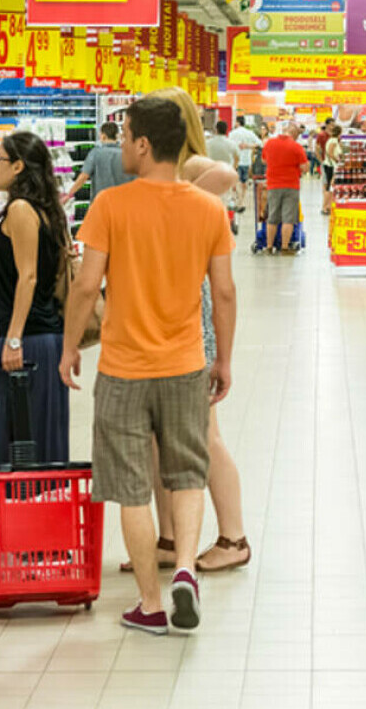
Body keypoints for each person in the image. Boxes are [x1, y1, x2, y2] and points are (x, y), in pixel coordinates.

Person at [62, 95, 236, 635]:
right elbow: (224, 293)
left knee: (130, 487)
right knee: (187, 474)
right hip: (186, 363)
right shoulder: (208, 209)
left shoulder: (110, 206)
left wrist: (70, 348)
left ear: (143, 144)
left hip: (123, 369)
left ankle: (150, 602)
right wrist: (223, 359)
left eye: (122, 136)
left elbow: (88, 285)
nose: (118, 146)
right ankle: (185, 566)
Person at [119, 87, 253, 577]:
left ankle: (233, 537)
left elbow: (227, 174)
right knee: (159, 438)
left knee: (204, 434)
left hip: (190, 314)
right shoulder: (154, 177)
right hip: (162, 311)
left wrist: (183, 197)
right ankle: (171, 537)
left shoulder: (190, 167)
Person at [0, 132, 71, 468]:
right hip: (45, 337)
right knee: (41, 438)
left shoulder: (20, 209)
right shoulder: (49, 212)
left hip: (26, 340)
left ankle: (10, 512)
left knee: (9, 438)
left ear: (17, 166)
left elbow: (28, 277)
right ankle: (37, 513)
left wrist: (12, 339)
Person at [260, 121, 307, 254]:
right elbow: (304, 167)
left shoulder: (269, 143)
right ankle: (285, 248)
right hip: (291, 185)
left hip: (273, 184)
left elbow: (264, 160)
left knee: (273, 217)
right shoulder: (296, 147)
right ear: (293, 133)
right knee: (288, 218)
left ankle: (269, 247)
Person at [69, 121, 132, 202]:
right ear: (117, 136)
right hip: (121, 204)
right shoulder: (127, 155)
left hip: (100, 204)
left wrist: (69, 194)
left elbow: (83, 176)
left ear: (103, 136)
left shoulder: (95, 153)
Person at [320, 124, 344, 217]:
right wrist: (336, 160)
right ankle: (325, 207)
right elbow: (330, 153)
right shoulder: (333, 141)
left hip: (330, 165)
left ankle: (327, 207)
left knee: (330, 187)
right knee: (329, 187)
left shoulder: (332, 140)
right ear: (339, 132)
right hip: (330, 166)